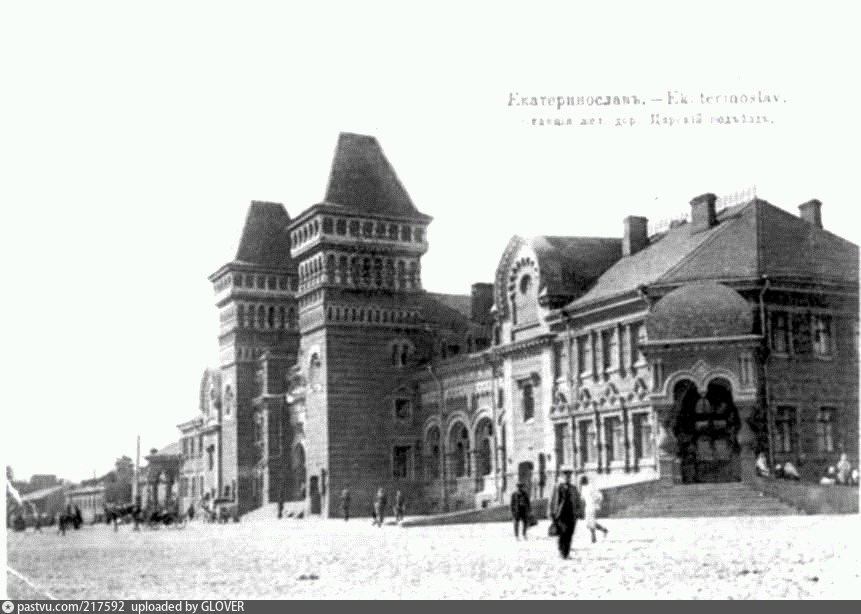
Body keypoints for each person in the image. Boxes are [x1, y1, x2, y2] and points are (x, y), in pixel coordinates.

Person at [550, 466, 581, 559]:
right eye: (566, 476)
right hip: (561, 514)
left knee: (570, 533)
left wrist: (577, 512)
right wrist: (552, 513)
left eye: (569, 476)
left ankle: (566, 553)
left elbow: (577, 500)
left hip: (571, 514)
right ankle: (561, 551)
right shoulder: (558, 487)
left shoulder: (573, 488)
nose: (568, 477)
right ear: (562, 476)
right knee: (563, 533)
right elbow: (553, 500)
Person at [579, 476, 608, 543]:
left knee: (591, 522)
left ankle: (593, 539)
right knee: (588, 523)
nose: (581, 483)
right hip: (587, 506)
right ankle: (604, 530)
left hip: (592, 506)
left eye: (582, 481)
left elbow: (600, 496)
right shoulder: (583, 488)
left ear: (585, 481)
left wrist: (597, 503)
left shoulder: (591, 487)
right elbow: (583, 498)